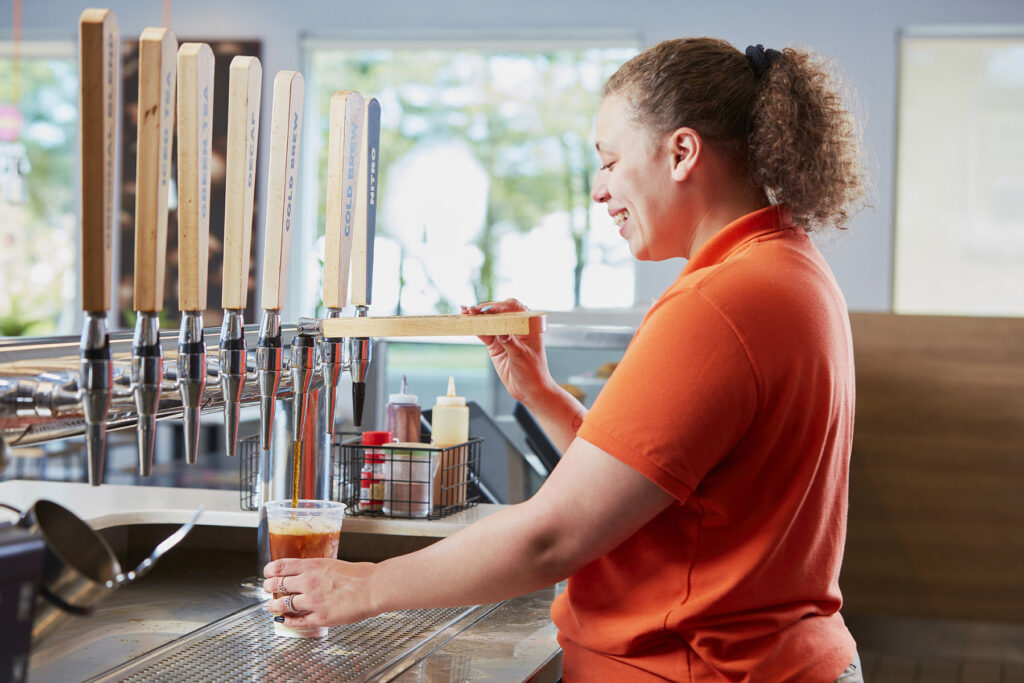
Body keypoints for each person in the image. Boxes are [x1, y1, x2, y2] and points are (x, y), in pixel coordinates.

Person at [264, 37, 868, 682]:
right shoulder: (788, 267)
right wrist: (542, 393)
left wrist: (360, 586)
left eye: (609, 161)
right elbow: (647, 487)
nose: (598, 191)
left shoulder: (718, 302)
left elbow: (554, 536)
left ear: (682, 152)